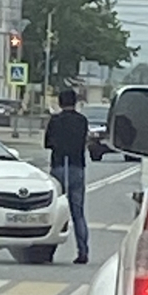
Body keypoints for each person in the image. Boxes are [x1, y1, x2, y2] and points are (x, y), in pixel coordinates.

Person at [45, 87, 90, 265]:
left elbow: (47, 143)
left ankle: (49, 251)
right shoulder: (82, 121)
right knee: (78, 213)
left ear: (60, 102)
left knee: (55, 211)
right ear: (75, 102)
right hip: (77, 167)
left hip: (58, 167)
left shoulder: (55, 121)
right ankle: (83, 251)